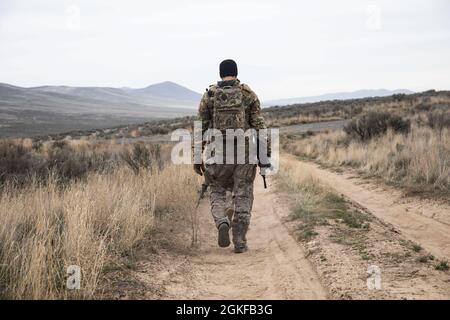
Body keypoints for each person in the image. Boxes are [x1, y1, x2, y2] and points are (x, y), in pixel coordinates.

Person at [194, 59, 270, 253]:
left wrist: (197, 156)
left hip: (216, 154)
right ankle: (240, 241)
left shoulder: (209, 96)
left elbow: (200, 128)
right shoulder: (248, 95)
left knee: (217, 191)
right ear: (236, 73)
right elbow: (260, 127)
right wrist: (264, 156)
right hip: (244, 155)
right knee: (243, 196)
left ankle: (221, 222)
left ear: (220, 74)